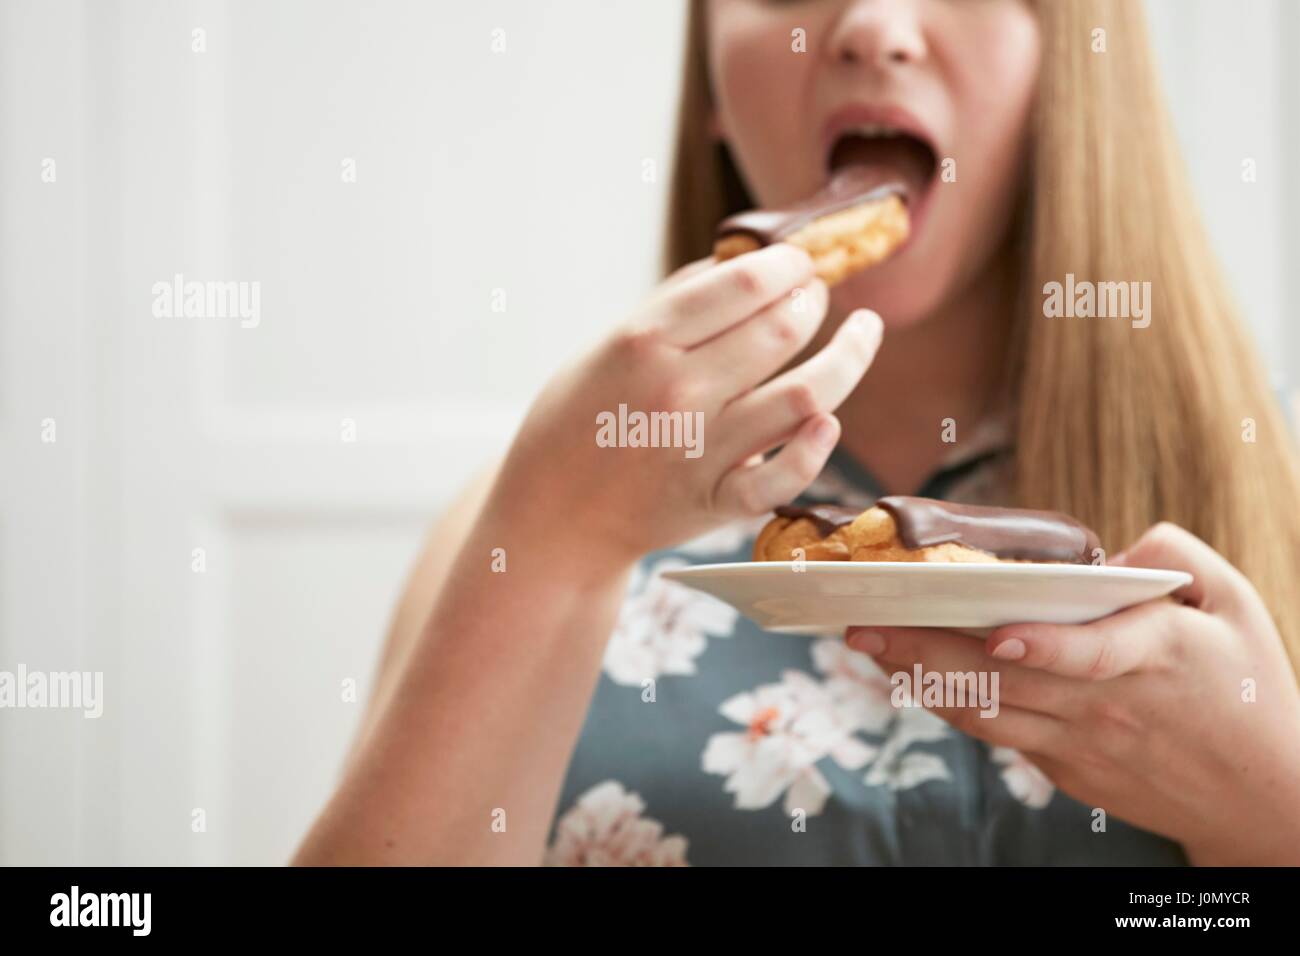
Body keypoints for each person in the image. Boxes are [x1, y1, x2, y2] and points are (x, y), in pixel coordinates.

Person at [294, 0, 1300, 866]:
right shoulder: (526, 523)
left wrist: (1268, 812)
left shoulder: (1275, 500)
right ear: (709, 94)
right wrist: (556, 541)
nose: (869, 26)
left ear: (1071, 69)